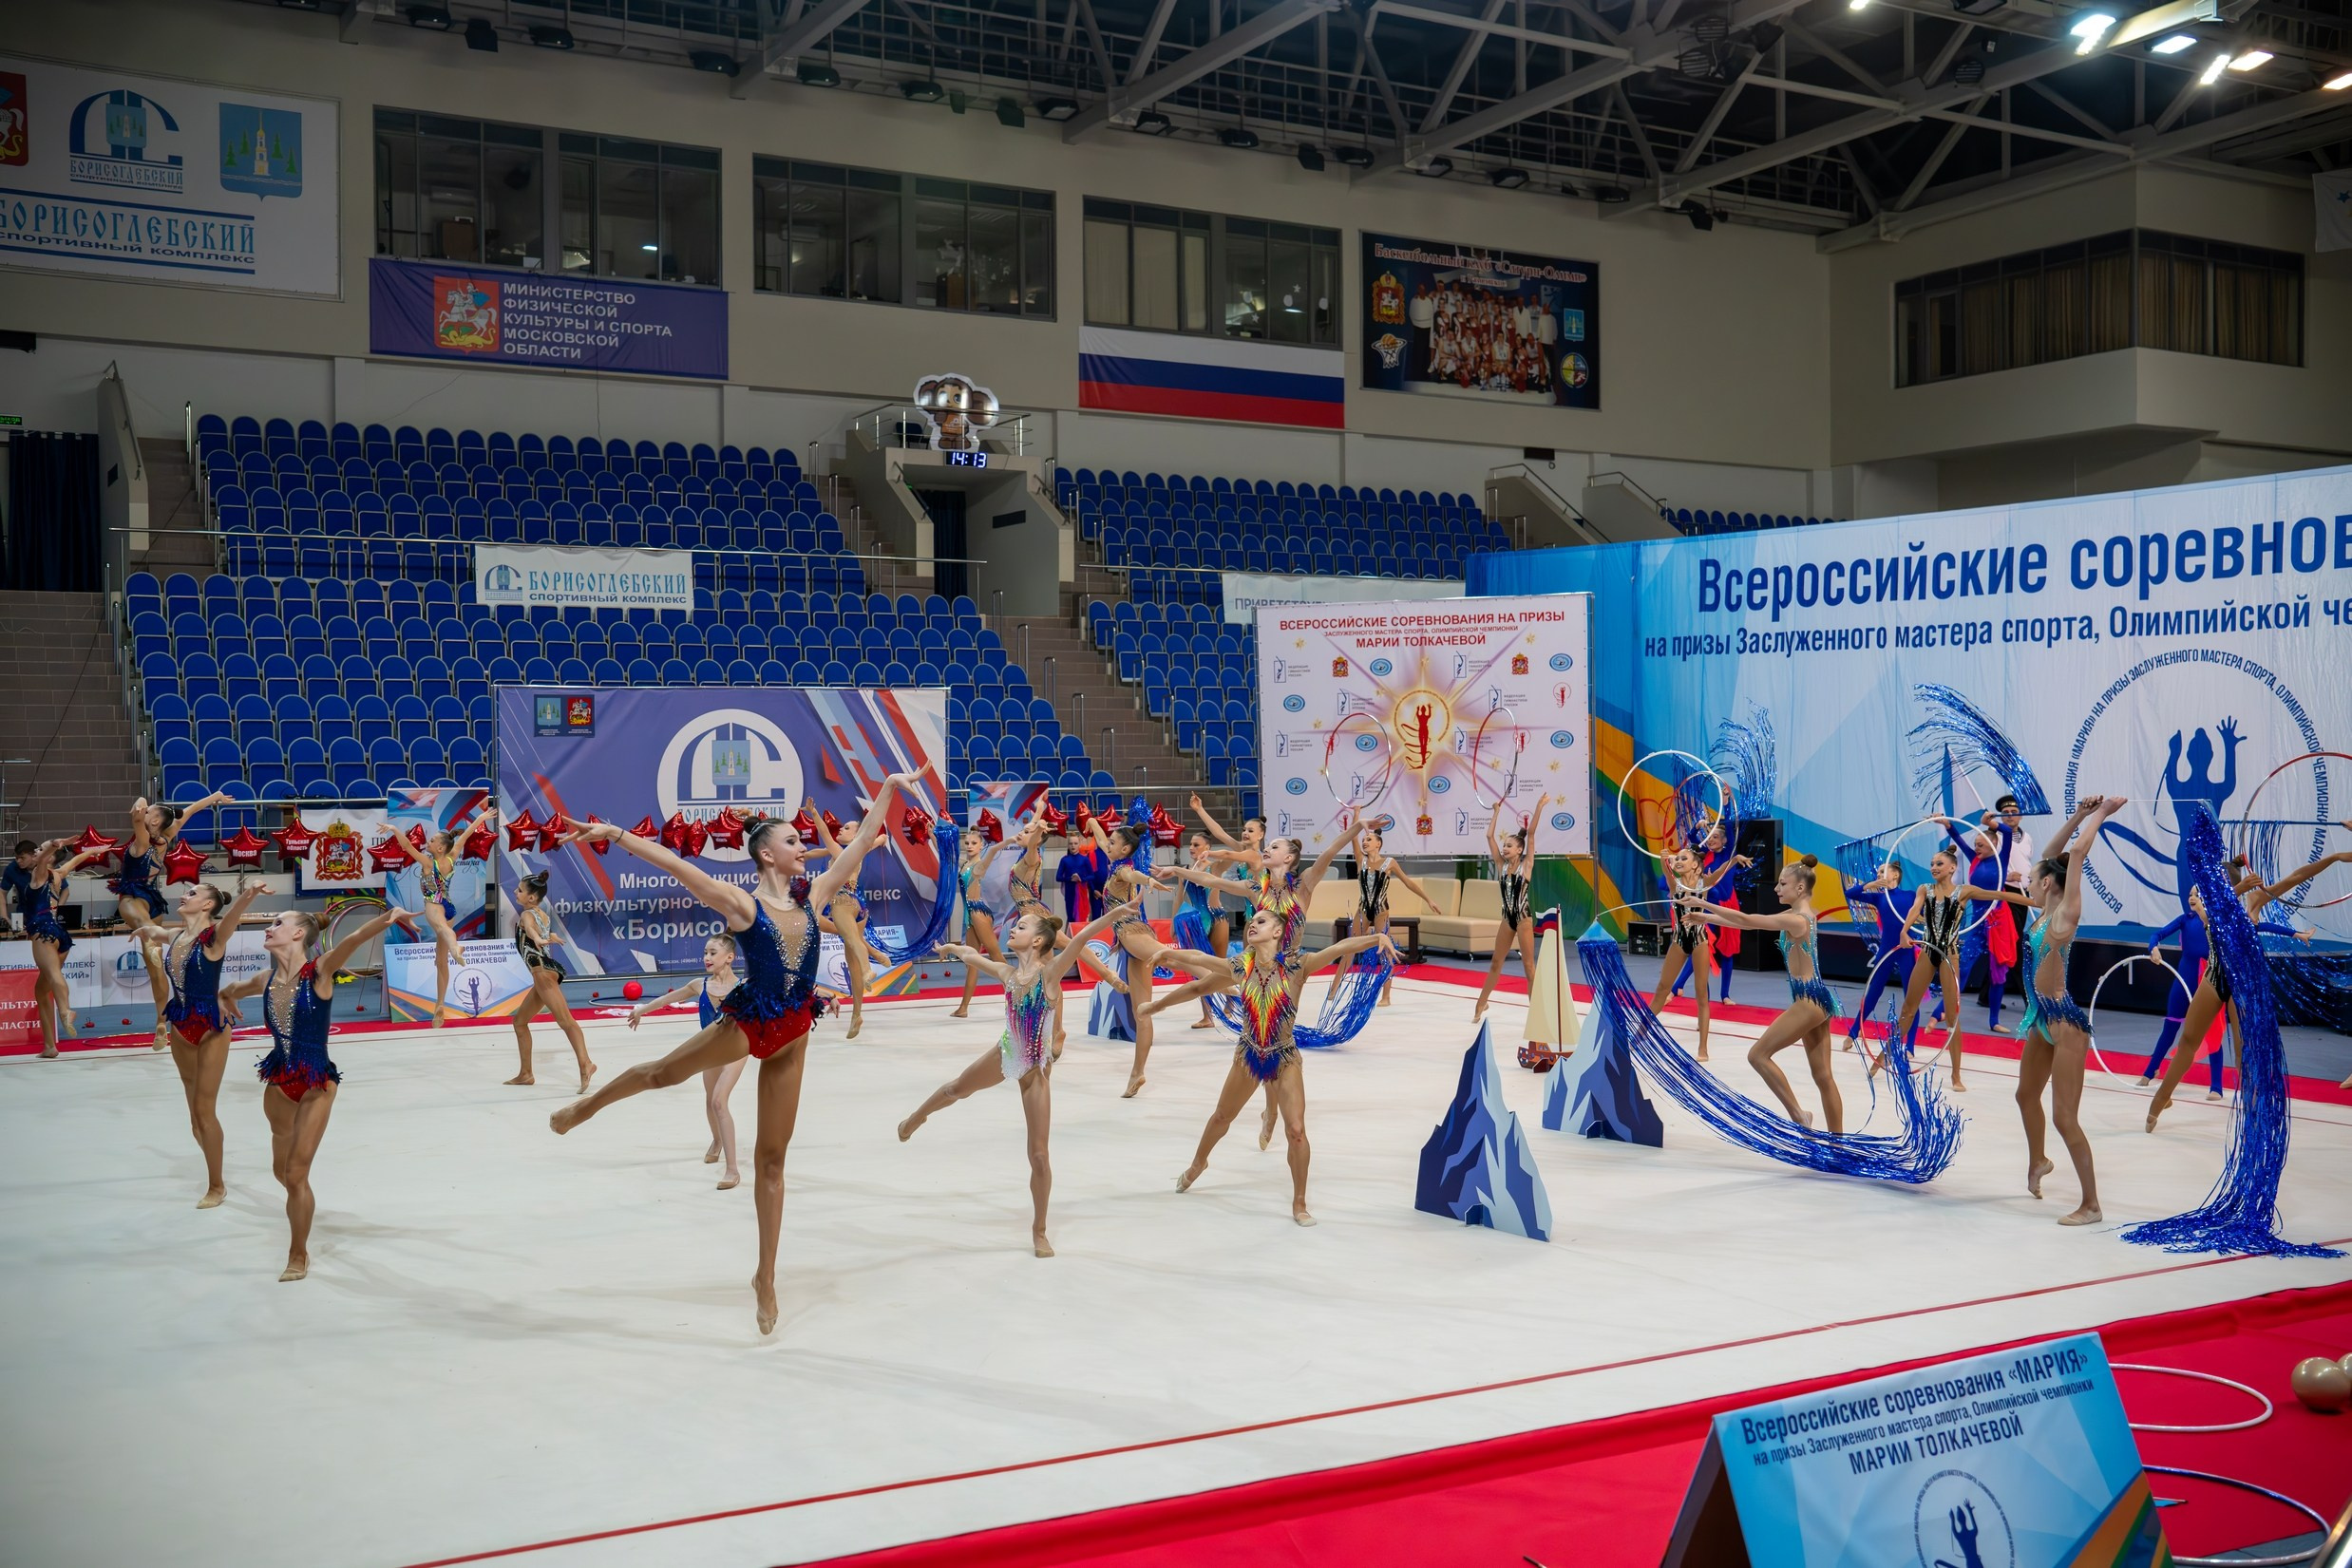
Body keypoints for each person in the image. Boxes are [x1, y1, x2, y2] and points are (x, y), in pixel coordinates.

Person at [547, 776, 920, 1335]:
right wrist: (616, 833)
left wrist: (889, 785)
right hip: (750, 1022)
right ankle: (588, 1107)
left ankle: (765, 1278)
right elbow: (679, 868)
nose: (805, 848)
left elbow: (865, 839)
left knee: (772, 1163)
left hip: (794, 1031)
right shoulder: (743, 906)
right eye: (794, 842)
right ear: (767, 854)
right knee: (659, 1074)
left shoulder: (815, 896)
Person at [897, 898, 1143, 1256]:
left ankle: (1039, 1230)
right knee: (955, 1089)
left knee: (1039, 1156)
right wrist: (949, 947)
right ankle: (915, 1118)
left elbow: (1082, 937)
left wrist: (1117, 914)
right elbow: (971, 954)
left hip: (1035, 1071)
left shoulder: (1051, 973)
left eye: (1022, 926)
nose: (1013, 928)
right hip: (1006, 1052)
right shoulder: (1008, 974)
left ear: (1039, 941)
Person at [1146, 912, 1398, 1227]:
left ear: (1278, 931)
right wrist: (1168, 953)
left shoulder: (1297, 966)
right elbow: (1201, 959)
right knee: (1222, 1117)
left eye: (1262, 921)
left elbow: (1339, 948)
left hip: (1284, 1057)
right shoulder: (1241, 967)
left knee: (1296, 1131)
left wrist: (1377, 938)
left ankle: (1300, 1201)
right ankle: (1198, 1164)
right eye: (1252, 921)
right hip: (1249, 1055)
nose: (1253, 924)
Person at [218, 902, 416, 1280]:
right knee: (280, 1170)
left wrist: (387, 918)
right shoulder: (264, 979)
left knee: (295, 1175)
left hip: (316, 1083)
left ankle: (298, 1253)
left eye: (276, 921)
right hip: (278, 1081)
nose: (268, 927)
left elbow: (354, 939)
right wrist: (225, 998)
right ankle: (302, 1203)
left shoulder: (319, 972)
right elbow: (232, 989)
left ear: (297, 934)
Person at [2143, 836, 2352, 1132]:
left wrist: (2333, 858)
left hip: (2243, 983)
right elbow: (2221, 904)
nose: (2207, 890)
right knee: (2188, 1041)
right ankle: (2159, 1100)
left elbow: (2295, 877)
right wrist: (2236, 887)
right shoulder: (2211, 904)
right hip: (2214, 977)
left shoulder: (2251, 900)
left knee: (2242, 1046)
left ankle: (2250, 1109)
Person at [2002, 795, 2127, 1225]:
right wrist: (2075, 814)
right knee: (2024, 1095)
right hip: (2040, 1021)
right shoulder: (2042, 912)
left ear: (2047, 885)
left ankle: (2091, 1204)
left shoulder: (2065, 916)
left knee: (2064, 1118)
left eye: (2034, 878)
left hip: (2065, 1026)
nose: (2030, 880)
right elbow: (2055, 857)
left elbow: (2073, 854)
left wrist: (2101, 814)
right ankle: (2038, 1160)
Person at [1679, 857, 1846, 1133]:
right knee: (1824, 1076)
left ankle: (1800, 1115)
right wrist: (1705, 916)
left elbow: (1748, 919)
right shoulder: (1804, 916)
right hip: (1819, 999)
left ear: (1801, 888)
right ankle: (1838, 1142)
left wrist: (1702, 902)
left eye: (1783, 884)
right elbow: (1746, 924)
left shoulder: (1796, 919)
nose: (1777, 888)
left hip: (1808, 1001)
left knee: (1758, 1055)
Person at [134, 877, 270, 1206]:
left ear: (207, 905)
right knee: (195, 1117)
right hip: (180, 1023)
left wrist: (248, 894)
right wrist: (143, 930)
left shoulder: (213, 939)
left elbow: (233, 917)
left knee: (204, 1111)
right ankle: (213, 1162)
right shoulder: (177, 934)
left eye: (192, 894)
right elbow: (157, 933)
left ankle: (216, 1186)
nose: (184, 895)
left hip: (210, 1026)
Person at [1084, 818, 1228, 1099]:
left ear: (1125, 850)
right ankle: (1137, 1073)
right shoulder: (1115, 860)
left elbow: (1135, 876)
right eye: (1110, 842)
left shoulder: (1123, 870)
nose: (1107, 845)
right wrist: (1091, 821)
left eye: (1113, 843)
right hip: (1127, 943)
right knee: (1143, 1012)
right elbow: (1101, 839)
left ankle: (1224, 979)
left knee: (1169, 958)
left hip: (1132, 932)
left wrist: (1150, 880)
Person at [626, 934, 746, 1189]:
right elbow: (666, 1000)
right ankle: (717, 1140)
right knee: (709, 1101)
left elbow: (785, 988)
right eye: (705, 952)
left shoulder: (744, 987)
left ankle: (732, 1169)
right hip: (708, 1048)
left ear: (730, 958)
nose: (707, 958)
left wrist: (826, 995)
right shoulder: (699, 984)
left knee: (719, 1101)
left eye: (713, 953)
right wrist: (640, 1011)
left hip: (736, 1049)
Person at [118, 791, 229, 1049]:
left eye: (150, 814)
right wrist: (216, 796)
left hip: (134, 893)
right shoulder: (166, 837)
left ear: (155, 822)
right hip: (153, 895)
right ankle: (160, 1024)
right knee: (156, 968)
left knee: (143, 926)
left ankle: (152, 945)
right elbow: (189, 811)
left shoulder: (144, 839)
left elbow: (136, 814)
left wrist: (143, 803)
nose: (145, 814)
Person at [383, 809, 495, 1027]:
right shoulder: (452, 859)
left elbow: (406, 846)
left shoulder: (427, 863)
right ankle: (440, 1005)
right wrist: (480, 819)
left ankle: (456, 948)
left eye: (432, 840)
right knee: (440, 961)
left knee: (443, 932)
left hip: (434, 904)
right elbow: (465, 836)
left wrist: (394, 828)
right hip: (449, 906)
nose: (429, 841)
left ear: (440, 848)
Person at [15, 837, 110, 1057]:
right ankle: (50, 1046)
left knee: (53, 973)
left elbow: (48, 850)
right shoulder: (57, 875)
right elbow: (74, 861)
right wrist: (92, 851)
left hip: (42, 930)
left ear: (47, 858)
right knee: (41, 991)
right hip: (60, 934)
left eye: (38, 850)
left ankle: (66, 1010)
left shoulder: (40, 873)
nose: (36, 852)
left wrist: (55, 843)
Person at [505, 871, 596, 1093]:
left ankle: (586, 1063)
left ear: (531, 898)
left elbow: (532, 932)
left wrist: (539, 939)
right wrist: (550, 937)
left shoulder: (527, 914)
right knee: (519, 1022)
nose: (515, 892)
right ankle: (526, 1074)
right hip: (544, 972)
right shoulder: (541, 914)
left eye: (519, 890)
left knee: (565, 1020)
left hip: (542, 971)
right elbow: (540, 930)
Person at [1338, 822, 1432, 1010]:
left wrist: (1428, 899)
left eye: (1369, 839)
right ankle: (1335, 988)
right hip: (1363, 910)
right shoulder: (1360, 860)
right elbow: (1353, 837)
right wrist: (1357, 816)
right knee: (1349, 948)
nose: (1365, 842)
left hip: (1381, 911)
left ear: (1378, 844)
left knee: (1385, 953)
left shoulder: (1389, 863)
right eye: (1364, 839)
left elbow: (1408, 883)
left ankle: (1386, 996)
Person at [1473, 798, 1547, 1022]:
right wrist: (1496, 811)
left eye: (1508, 846)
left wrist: (1538, 807)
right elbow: (1488, 836)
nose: (1504, 848)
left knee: (1529, 966)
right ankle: (1480, 1004)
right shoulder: (1501, 866)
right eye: (1503, 845)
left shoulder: (1527, 865)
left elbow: (1531, 834)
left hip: (1524, 919)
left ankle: (1535, 1013)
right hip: (1507, 919)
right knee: (1496, 962)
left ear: (1519, 849)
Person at [1642, 841, 1717, 1061]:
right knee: (1662, 988)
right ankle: (1639, 1034)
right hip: (1678, 940)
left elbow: (1719, 874)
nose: (1679, 861)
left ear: (1696, 865)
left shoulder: (1704, 883)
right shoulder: (1675, 886)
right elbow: (1667, 870)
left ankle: (1703, 1048)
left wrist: (1733, 860)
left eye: (1684, 858)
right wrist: (1663, 858)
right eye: (1678, 858)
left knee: (1701, 993)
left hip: (1699, 940)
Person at [1841, 860, 1920, 1063]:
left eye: (1883, 872)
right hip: (1886, 950)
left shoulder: (1910, 896)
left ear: (1895, 875)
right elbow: (1850, 894)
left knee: (1911, 997)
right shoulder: (1879, 897)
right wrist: (1869, 885)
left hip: (1906, 949)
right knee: (1873, 992)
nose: (1878, 875)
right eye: (1877, 872)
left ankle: (1909, 1044)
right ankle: (1853, 1032)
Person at [1946, 813, 2019, 1033]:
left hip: (1998, 922)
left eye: (1981, 844)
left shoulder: (2001, 859)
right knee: (1963, 967)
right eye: (1975, 844)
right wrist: (1949, 826)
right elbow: (1958, 841)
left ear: (1993, 845)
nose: (1976, 848)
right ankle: (1943, 1012)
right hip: (1978, 922)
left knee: (1998, 973)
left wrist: (1991, 824)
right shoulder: (1975, 860)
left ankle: (1994, 1020)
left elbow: (2007, 832)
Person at [1669, 824, 1752, 1004]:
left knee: (1727, 951)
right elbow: (1692, 838)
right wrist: (1697, 827)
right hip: (1708, 904)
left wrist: (1726, 803)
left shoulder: (1728, 853)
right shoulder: (1705, 854)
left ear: (1724, 840)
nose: (1711, 840)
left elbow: (1731, 828)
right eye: (1710, 837)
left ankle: (1725, 995)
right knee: (1701, 946)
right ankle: (1676, 987)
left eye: (1716, 837)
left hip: (1727, 903)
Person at [949, 830, 1012, 1021]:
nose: (969, 845)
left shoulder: (979, 865)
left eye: (973, 843)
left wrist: (1008, 840)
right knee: (972, 962)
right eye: (967, 842)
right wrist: (932, 836)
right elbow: (947, 856)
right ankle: (963, 1007)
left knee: (996, 955)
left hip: (978, 912)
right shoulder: (965, 864)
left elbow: (993, 851)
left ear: (981, 846)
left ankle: (1016, 999)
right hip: (970, 914)